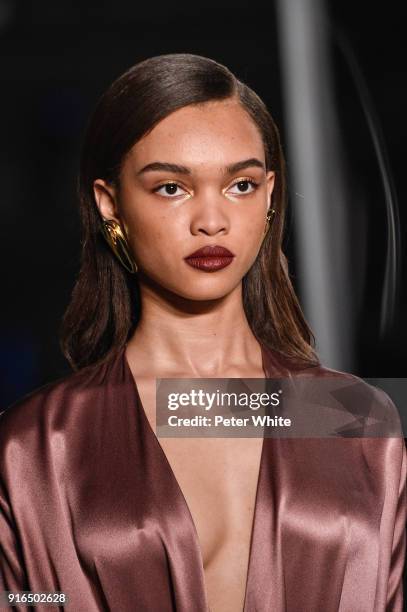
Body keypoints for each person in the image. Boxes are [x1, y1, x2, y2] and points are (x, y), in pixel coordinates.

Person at [0, 53, 405, 612]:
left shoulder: (354, 416)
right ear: (109, 204)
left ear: (268, 197)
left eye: (239, 184)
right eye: (172, 188)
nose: (211, 221)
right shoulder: (37, 447)